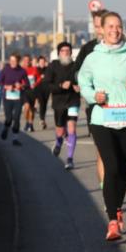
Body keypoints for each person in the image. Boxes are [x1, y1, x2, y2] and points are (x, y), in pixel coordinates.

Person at [78, 13, 126, 241]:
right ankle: (112, 221)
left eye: (118, 26)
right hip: (102, 118)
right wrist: (94, 96)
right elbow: (83, 83)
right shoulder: (93, 57)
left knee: (123, 169)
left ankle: (117, 206)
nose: (115, 30)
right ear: (101, 29)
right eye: (110, 26)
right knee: (111, 167)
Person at [75, 6, 108, 189]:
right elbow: (77, 72)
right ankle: (106, 191)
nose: (99, 30)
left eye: (101, 25)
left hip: (121, 108)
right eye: (96, 26)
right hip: (96, 106)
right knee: (102, 151)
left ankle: (114, 186)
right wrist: (83, 85)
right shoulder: (88, 48)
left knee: (118, 156)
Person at [45, 42, 81, 170]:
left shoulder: (76, 66)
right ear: (59, 53)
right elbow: (47, 84)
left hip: (73, 100)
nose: (65, 52)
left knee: (71, 128)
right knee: (60, 130)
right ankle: (59, 142)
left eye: (68, 50)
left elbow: (83, 80)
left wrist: (79, 87)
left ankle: (70, 159)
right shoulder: (53, 65)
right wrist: (60, 86)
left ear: (71, 53)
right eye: (63, 51)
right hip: (59, 102)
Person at [0, 53, 30, 146]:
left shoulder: (22, 71)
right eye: (11, 60)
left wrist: (21, 85)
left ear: (18, 61)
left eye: (14, 61)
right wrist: (6, 86)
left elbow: (27, 84)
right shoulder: (5, 69)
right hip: (7, 97)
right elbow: (0, 81)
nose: (12, 62)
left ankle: (15, 139)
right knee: (9, 118)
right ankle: (6, 128)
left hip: (18, 97)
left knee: (16, 118)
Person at [21, 55, 39, 132]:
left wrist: (35, 84)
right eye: (25, 60)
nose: (26, 62)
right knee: (27, 107)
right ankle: (27, 122)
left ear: (30, 61)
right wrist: (22, 84)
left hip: (33, 91)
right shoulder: (21, 70)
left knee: (32, 109)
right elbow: (18, 79)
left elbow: (39, 78)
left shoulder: (34, 69)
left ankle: (30, 124)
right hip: (25, 91)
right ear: (23, 61)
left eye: (28, 60)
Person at [35, 55, 51, 130]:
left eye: (43, 62)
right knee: (41, 103)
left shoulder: (48, 69)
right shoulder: (36, 69)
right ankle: (41, 119)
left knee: (44, 104)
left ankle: (43, 118)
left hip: (47, 89)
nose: (42, 63)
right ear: (38, 62)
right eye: (41, 62)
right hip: (38, 89)